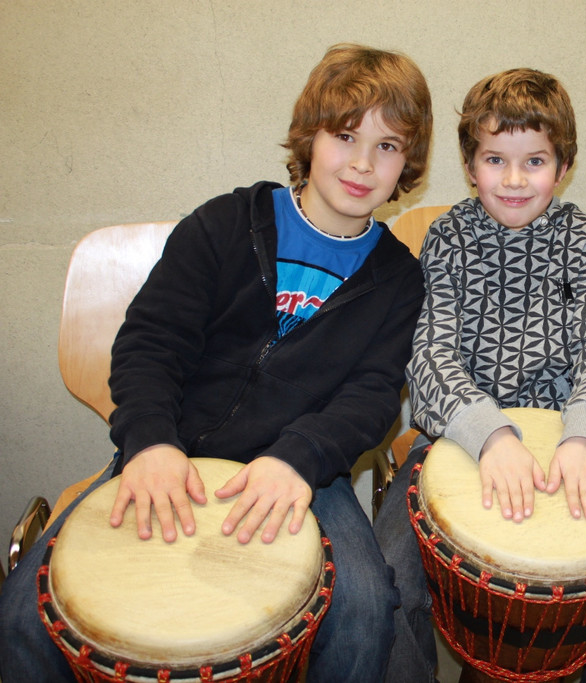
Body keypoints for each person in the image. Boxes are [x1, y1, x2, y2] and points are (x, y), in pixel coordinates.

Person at [0, 43, 431, 683]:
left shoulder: (398, 278)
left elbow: (370, 396)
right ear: (310, 136)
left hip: (305, 472)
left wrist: (298, 459)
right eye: (345, 136)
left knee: (365, 611)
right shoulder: (227, 223)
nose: (363, 163)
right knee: (22, 619)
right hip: (169, 449)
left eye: (387, 146)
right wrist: (150, 443)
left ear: (408, 163)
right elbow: (150, 343)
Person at [374, 67, 586, 682]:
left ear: (563, 166)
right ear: (470, 166)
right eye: (495, 160)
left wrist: (584, 437)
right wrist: (491, 435)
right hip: (459, 441)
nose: (514, 180)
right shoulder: (448, 239)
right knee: (390, 568)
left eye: (535, 162)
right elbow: (431, 355)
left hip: (569, 437)